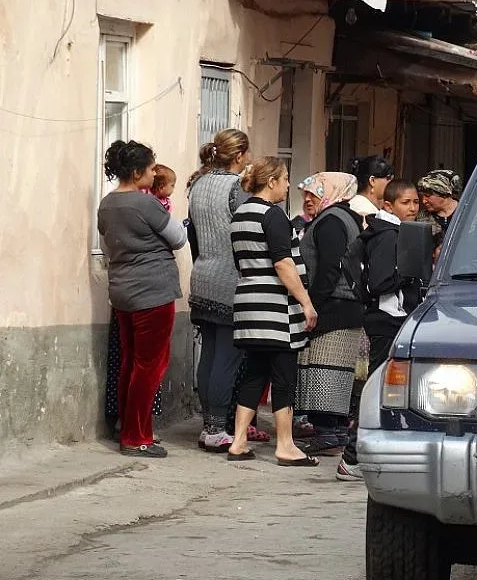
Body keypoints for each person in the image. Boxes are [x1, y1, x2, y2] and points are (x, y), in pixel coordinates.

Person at [97, 140, 187, 458]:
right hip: (152, 291)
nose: (153, 174)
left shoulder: (107, 204)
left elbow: (107, 247)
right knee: (149, 366)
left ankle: (132, 429)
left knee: (130, 362)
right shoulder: (146, 203)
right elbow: (179, 238)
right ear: (137, 173)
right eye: (150, 169)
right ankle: (136, 437)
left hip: (122, 291)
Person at [227, 157, 318, 465]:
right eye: (286, 178)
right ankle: (286, 445)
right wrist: (306, 302)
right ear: (271, 181)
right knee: (283, 376)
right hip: (275, 309)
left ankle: (239, 441)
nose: (289, 185)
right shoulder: (273, 215)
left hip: (248, 303)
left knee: (254, 372)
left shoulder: (241, 214)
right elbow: (283, 263)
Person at [188, 128, 271, 452]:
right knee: (226, 357)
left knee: (209, 354)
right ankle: (216, 426)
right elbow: (250, 230)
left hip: (202, 274)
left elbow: (193, 233)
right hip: (229, 279)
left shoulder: (198, 184)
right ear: (239, 156)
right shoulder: (237, 188)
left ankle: (208, 424)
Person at [337, 179, 423, 481]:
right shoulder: (387, 235)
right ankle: (352, 457)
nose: (412, 208)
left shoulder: (390, 231)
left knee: (389, 390)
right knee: (377, 389)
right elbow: (380, 282)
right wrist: (412, 273)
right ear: (388, 205)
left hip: (389, 318)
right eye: (405, 203)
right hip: (387, 320)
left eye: (415, 202)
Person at [295, 172, 365, 456]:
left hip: (333, 306)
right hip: (344, 305)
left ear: (332, 192)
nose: (308, 199)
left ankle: (327, 434)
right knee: (334, 370)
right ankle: (333, 433)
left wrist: (312, 304)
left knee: (323, 368)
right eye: (306, 194)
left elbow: (329, 268)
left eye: (315, 192)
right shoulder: (344, 217)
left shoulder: (332, 221)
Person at [349, 156, 394, 222]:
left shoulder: (353, 203)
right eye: (388, 178)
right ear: (372, 181)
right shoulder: (366, 211)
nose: (391, 183)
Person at [417, 170, 461, 234]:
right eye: (422, 196)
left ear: (443, 194)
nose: (424, 201)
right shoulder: (421, 218)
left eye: (428, 196)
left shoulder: (467, 212)